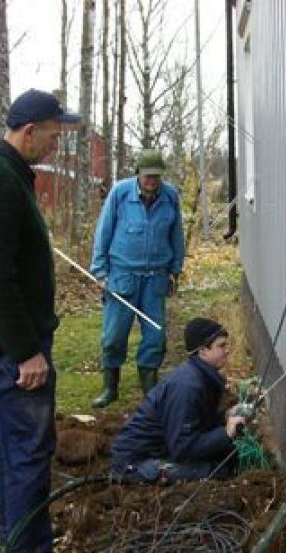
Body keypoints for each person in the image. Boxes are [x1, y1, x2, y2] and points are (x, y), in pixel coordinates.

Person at [0, 89, 80, 553]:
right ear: (29, 131)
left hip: (16, 344)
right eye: (53, 136)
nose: (56, 146)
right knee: (28, 448)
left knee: (15, 446)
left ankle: (18, 543)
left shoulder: (6, 174)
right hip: (15, 350)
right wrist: (27, 352)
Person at [90, 149, 185, 408]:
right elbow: (104, 231)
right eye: (147, 176)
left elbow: (177, 235)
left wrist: (175, 269)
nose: (152, 181)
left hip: (156, 277)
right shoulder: (120, 194)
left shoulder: (170, 197)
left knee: (155, 336)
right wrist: (99, 271)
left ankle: (150, 390)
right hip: (122, 276)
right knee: (113, 337)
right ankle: (110, 388)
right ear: (138, 174)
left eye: (156, 176)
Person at [110, 317, 247, 484]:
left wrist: (225, 417)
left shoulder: (201, 377)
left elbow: (196, 423)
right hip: (135, 463)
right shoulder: (188, 386)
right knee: (219, 470)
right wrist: (226, 432)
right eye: (221, 346)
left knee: (228, 454)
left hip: (161, 449)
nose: (227, 350)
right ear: (203, 351)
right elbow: (183, 447)